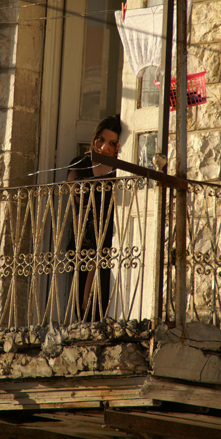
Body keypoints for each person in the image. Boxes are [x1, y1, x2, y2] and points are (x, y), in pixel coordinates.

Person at [67, 114, 121, 320]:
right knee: (82, 300)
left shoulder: (121, 169)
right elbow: (77, 188)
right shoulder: (81, 162)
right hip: (84, 239)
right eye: (101, 139)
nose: (104, 147)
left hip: (109, 240)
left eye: (112, 143)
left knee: (100, 296)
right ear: (94, 137)